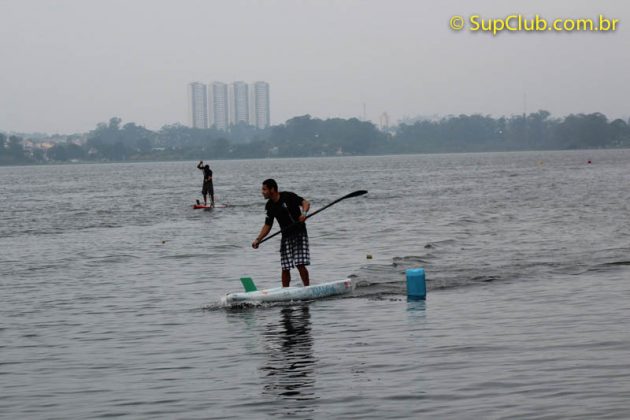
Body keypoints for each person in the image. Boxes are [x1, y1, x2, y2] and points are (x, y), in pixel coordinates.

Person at [252, 179, 311, 287]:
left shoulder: (288, 196)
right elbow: (267, 225)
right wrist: (258, 239)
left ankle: (308, 288)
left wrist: (304, 213)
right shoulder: (269, 206)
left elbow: (305, 203)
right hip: (286, 235)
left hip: (299, 233)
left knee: (299, 263)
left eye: (264, 189)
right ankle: (285, 291)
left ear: (272, 189)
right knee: (285, 266)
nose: (262, 192)